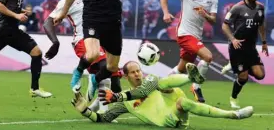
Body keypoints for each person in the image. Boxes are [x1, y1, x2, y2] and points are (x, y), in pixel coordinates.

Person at [71, 61, 253, 128]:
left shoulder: (149, 80)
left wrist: (117, 96)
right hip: (167, 123)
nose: (137, 74)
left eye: (138, 71)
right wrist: (85, 111)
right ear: (125, 76)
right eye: (133, 72)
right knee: (170, 89)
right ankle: (189, 78)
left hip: (176, 112)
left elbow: (142, 92)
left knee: (168, 88)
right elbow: (104, 118)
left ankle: (233, 115)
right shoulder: (125, 101)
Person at [43, 0, 122, 109]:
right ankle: (103, 111)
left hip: (103, 39)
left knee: (116, 85)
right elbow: (48, 22)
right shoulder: (68, 1)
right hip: (83, 40)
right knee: (104, 67)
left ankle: (92, 109)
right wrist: (55, 42)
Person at [0, 0, 52, 98]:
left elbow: (10, 9)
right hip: (1, 32)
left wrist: (21, 12)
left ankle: (34, 89)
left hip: (13, 32)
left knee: (36, 52)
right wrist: (17, 15)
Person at [159, 0, 218, 103]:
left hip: (197, 36)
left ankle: (163, 84)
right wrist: (166, 13)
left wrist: (206, 15)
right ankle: (196, 87)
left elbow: (213, 20)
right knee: (208, 57)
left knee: (181, 68)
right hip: (184, 34)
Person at [222, 0, 268, 109]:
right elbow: (224, 25)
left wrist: (264, 42)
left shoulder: (261, 8)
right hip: (237, 47)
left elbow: (261, 25)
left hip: (251, 47)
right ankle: (234, 98)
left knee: (260, 75)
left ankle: (234, 65)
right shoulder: (237, 8)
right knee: (243, 77)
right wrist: (233, 39)